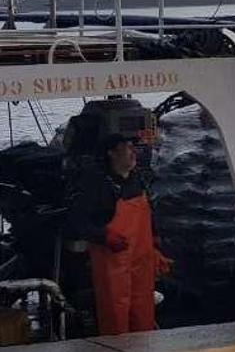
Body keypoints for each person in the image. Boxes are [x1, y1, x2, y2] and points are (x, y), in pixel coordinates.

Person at [69, 134, 172, 335]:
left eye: (134, 147)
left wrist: (156, 246)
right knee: (115, 315)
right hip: (113, 264)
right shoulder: (98, 185)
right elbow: (77, 222)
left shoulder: (138, 180)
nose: (134, 152)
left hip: (141, 261)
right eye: (127, 147)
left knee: (143, 312)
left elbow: (149, 216)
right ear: (111, 153)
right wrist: (104, 237)